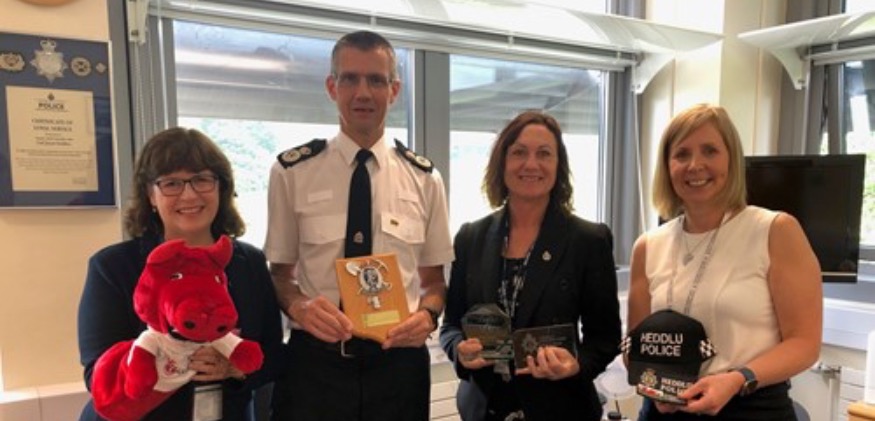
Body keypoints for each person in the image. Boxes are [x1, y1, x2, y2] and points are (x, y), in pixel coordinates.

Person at [264, 30, 454, 421]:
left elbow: (434, 282)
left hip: (397, 366)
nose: (363, 92)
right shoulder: (292, 172)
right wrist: (300, 307)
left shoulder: (425, 179)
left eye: (376, 80)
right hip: (315, 368)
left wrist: (427, 317)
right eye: (350, 78)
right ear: (332, 87)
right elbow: (280, 275)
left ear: (394, 90)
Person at [626, 103, 822, 420]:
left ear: (731, 159)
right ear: (667, 166)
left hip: (751, 408)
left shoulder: (775, 231)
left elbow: (804, 344)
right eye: (682, 154)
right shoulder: (648, 246)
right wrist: (652, 386)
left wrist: (736, 379)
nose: (695, 165)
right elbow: (635, 347)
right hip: (664, 411)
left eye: (710, 151)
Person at [77, 127, 284, 421]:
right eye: (171, 183)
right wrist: (170, 359)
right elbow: (96, 374)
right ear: (151, 195)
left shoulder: (249, 262)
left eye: (202, 179)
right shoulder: (113, 266)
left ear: (221, 187)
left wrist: (235, 368)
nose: (189, 194)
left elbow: (274, 356)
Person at [439, 110, 622, 421]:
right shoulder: (471, 237)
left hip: (560, 408)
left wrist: (576, 364)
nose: (531, 164)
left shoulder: (588, 240)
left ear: (558, 165)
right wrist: (459, 350)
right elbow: (451, 325)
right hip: (484, 409)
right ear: (502, 162)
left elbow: (605, 339)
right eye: (519, 152)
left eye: (544, 154)